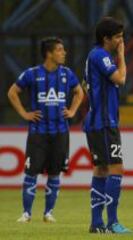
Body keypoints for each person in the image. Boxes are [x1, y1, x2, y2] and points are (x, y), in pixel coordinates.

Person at [8, 37, 84, 223]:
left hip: (60, 132)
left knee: (54, 172)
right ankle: (26, 213)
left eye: (63, 49)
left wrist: (73, 110)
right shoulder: (32, 74)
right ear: (49, 53)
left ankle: (48, 213)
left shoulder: (67, 74)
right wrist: (25, 114)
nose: (64, 52)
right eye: (59, 50)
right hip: (38, 132)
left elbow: (79, 92)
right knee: (31, 172)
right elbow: (12, 92)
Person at [83, 17, 131, 234]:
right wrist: (121, 56)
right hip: (104, 122)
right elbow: (120, 79)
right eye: (118, 37)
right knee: (115, 168)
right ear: (106, 39)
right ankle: (112, 222)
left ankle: (96, 223)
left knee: (101, 168)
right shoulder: (101, 55)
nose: (121, 41)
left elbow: (87, 85)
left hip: (97, 121)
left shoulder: (93, 56)